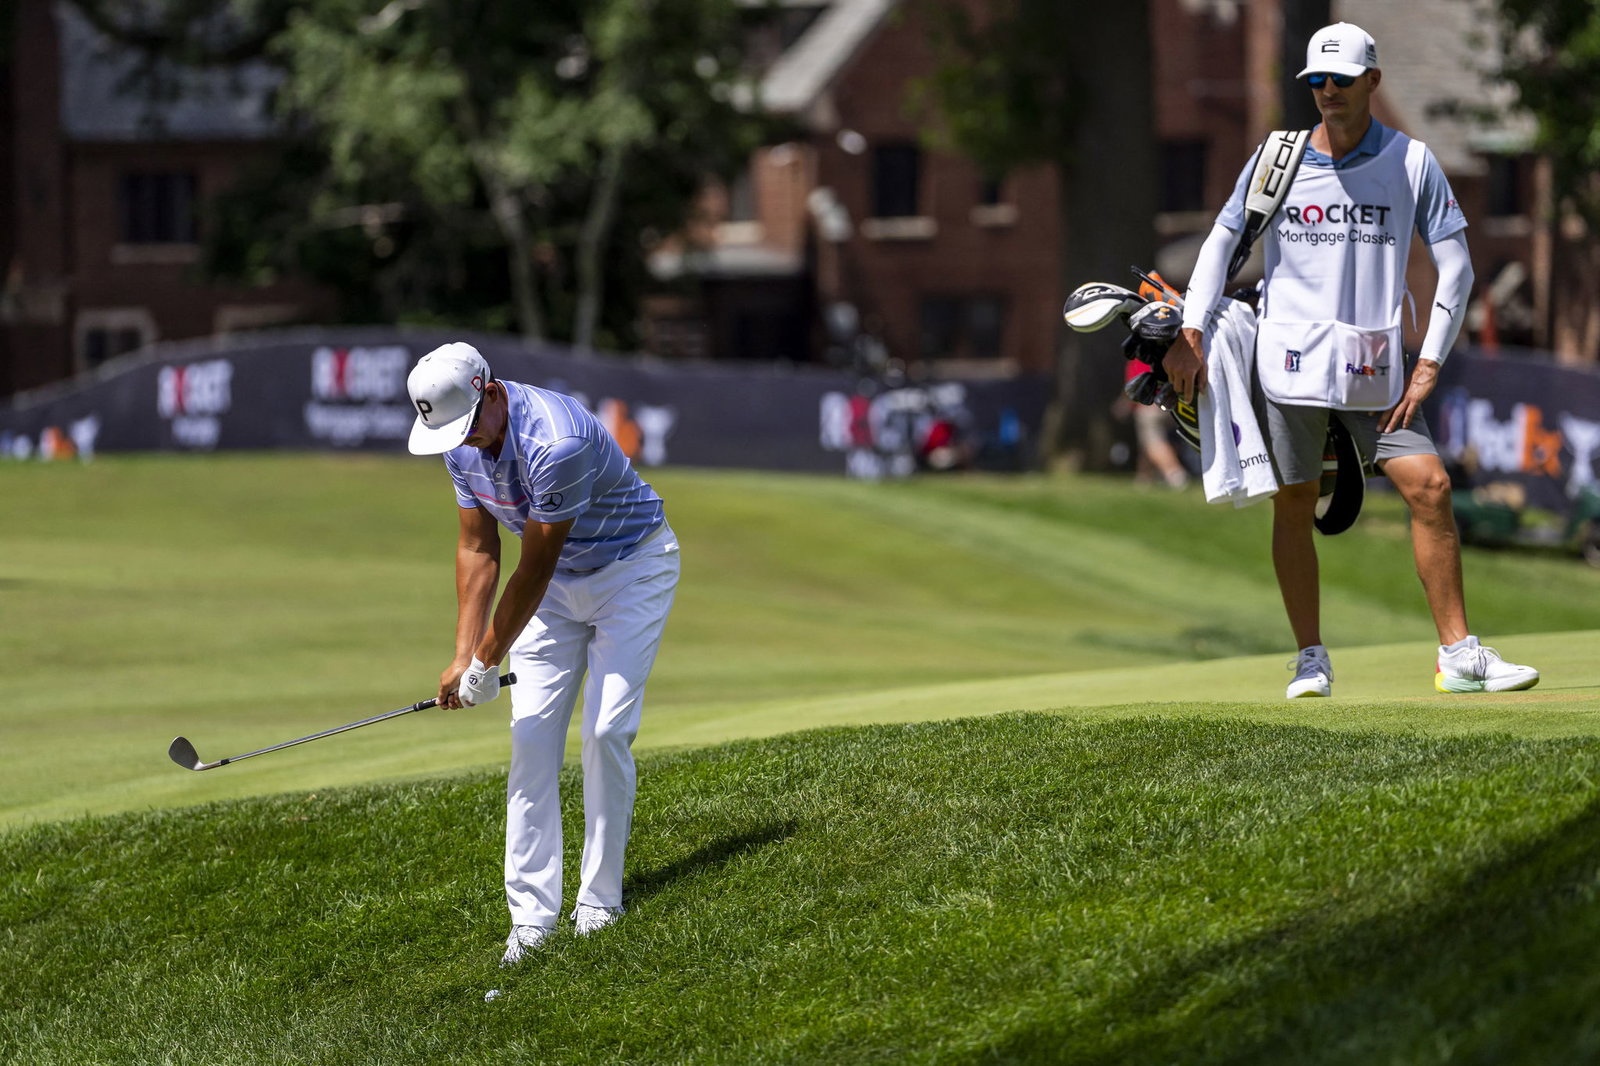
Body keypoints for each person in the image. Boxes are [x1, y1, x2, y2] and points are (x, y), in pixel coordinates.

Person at [1163, 22, 1538, 699]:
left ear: (1373, 82)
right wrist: (1192, 333)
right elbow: (1219, 245)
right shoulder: (1275, 159)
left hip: (1378, 368)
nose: (1328, 91)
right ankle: (1310, 657)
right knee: (1296, 501)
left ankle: (1458, 655)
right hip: (1289, 362)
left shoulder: (1413, 161)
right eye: (1316, 81)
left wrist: (1429, 364)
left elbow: (1457, 269)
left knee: (1430, 488)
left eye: (1340, 79)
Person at [405, 342, 680, 964]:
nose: (467, 441)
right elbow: (478, 550)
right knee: (531, 739)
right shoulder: (460, 441)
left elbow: (534, 565)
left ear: (491, 392)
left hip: (629, 571)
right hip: (555, 593)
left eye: (470, 425)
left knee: (606, 730)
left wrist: (485, 660)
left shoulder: (557, 441)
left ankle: (599, 905)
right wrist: (462, 656)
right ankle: (531, 921)